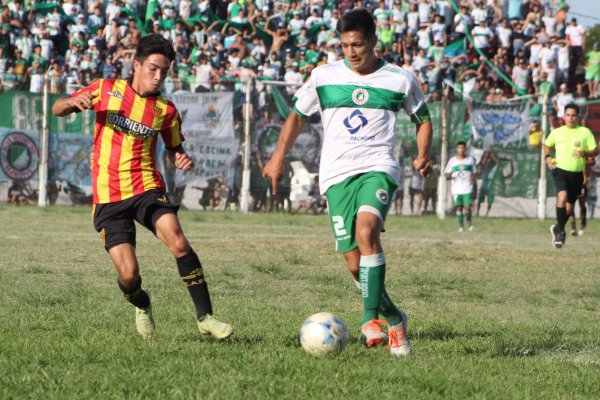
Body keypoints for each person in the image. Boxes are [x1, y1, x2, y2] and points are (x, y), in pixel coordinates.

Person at [263, 8, 432, 357]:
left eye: (358, 45)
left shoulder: (399, 79)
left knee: (367, 232)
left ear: (373, 41)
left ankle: (371, 321)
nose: (352, 52)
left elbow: (423, 119)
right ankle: (394, 318)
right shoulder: (324, 76)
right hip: (336, 176)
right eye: (345, 46)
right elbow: (296, 116)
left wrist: (422, 154)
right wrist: (278, 155)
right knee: (355, 264)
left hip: (378, 167)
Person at [51, 34, 233, 340]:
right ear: (136, 65)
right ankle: (141, 302)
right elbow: (57, 107)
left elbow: (174, 149)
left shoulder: (166, 111)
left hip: (146, 187)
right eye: (153, 68)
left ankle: (206, 317)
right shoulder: (106, 89)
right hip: (109, 196)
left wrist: (181, 158)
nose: (158, 76)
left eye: (164, 71)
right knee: (129, 276)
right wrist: (71, 102)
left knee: (177, 240)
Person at [544, 103, 598, 249]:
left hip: (578, 175)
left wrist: (584, 153)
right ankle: (561, 232)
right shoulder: (557, 132)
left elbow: (595, 150)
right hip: (560, 171)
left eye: (573, 115)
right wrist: (548, 157)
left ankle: (558, 228)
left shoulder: (584, 132)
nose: (570, 118)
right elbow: (547, 145)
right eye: (568, 115)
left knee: (569, 207)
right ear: (564, 116)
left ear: (577, 116)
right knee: (561, 198)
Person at [445, 141, 477, 232]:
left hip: (467, 187)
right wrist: (449, 175)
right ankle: (461, 226)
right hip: (456, 189)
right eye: (459, 148)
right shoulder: (452, 161)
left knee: (467, 207)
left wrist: (473, 179)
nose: (461, 150)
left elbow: (475, 172)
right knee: (458, 207)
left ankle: (469, 222)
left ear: (465, 149)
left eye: (463, 148)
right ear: (457, 149)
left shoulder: (470, 160)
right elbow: (447, 174)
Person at [477, 150, 499, 218]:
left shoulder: (494, 168)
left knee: (490, 200)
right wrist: (485, 156)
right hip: (484, 184)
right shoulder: (484, 167)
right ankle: (477, 212)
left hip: (491, 185)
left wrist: (493, 156)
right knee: (480, 199)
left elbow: (498, 163)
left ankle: (487, 213)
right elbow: (482, 164)